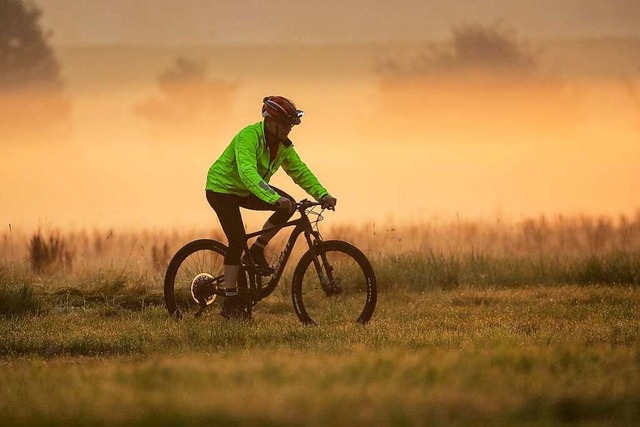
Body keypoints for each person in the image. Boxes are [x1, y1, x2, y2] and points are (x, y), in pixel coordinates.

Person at [205, 95, 337, 319]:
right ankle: (230, 299)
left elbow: (300, 171)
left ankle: (256, 251)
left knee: (289, 207)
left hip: (247, 190)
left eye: (291, 125)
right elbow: (248, 173)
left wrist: (322, 193)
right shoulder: (248, 137)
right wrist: (272, 197)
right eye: (286, 124)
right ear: (270, 121)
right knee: (237, 240)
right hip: (221, 189)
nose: (289, 129)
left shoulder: (283, 146)